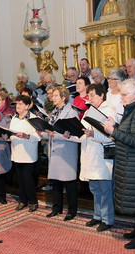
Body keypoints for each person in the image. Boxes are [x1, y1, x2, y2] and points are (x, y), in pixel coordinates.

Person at [103, 79, 135, 249]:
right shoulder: (133, 109)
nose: (121, 98)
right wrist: (116, 124)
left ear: (134, 95)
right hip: (132, 162)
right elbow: (130, 132)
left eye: (124, 95)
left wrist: (114, 131)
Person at [38, 86, 79, 221]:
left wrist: (54, 135)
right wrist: (42, 133)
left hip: (66, 151)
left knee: (69, 183)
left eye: (55, 95)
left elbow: (74, 136)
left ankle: (72, 211)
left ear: (63, 97)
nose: (52, 97)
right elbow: (51, 132)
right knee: (56, 182)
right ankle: (56, 208)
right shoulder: (55, 111)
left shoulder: (71, 112)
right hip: (55, 151)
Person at [80, 84, 117, 232]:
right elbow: (82, 129)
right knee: (95, 188)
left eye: (93, 95)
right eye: (88, 95)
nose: (90, 98)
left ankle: (107, 219)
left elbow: (110, 135)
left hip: (102, 155)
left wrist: (93, 134)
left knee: (105, 189)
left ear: (102, 95)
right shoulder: (89, 111)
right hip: (90, 154)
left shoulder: (109, 110)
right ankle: (97, 215)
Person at [10, 95, 41, 212]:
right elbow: (12, 133)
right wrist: (6, 136)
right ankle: (22, 200)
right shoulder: (14, 118)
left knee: (28, 180)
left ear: (27, 106)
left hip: (28, 155)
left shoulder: (33, 118)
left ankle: (33, 201)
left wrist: (26, 135)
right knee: (20, 180)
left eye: (20, 104)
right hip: (16, 153)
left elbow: (38, 137)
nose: (17, 106)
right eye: (17, 103)